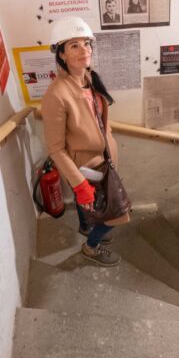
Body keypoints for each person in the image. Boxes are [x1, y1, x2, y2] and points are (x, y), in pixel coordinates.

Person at [41, 16, 121, 267]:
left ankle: (88, 226)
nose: (83, 50)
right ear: (61, 54)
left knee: (96, 211)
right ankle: (91, 246)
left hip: (103, 162)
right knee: (116, 212)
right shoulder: (57, 94)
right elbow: (55, 148)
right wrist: (79, 185)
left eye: (86, 43)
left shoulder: (89, 79)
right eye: (74, 45)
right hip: (85, 169)